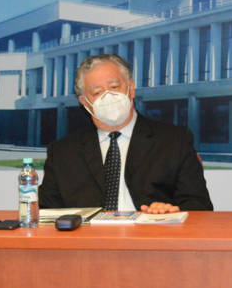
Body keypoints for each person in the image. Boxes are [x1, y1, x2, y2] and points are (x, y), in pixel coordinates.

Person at [38, 54, 213, 213]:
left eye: (115, 86)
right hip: (88, 237)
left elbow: (199, 206)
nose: (108, 96)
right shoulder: (62, 152)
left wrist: (172, 212)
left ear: (131, 88)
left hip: (151, 235)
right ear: (84, 102)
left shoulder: (174, 141)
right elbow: (46, 213)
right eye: (97, 92)